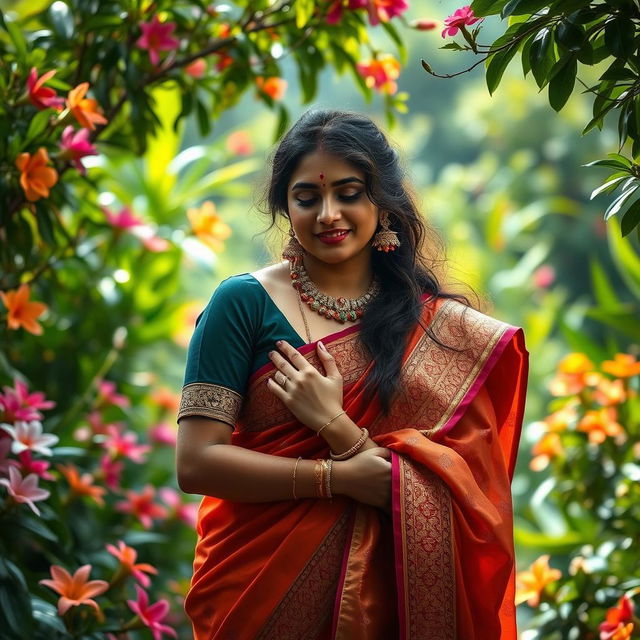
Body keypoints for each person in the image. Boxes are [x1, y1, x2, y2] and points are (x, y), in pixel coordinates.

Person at [176, 109, 528, 640]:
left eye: (348, 193)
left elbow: (465, 498)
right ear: (283, 205)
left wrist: (335, 427)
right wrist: (334, 477)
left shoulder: (437, 328)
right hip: (256, 593)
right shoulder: (242, 303)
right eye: (307, 197)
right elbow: (196, 463)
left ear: (381, 201)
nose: (328, 214)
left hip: (388, 603)